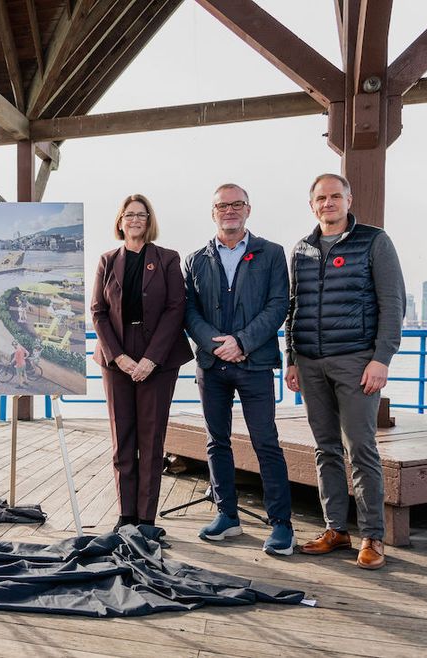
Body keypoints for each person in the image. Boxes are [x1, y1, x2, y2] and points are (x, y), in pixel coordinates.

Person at [285, 173, 405, 570]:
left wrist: (381, 359)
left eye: (336, 196)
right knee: (325, 449)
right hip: (310, 362)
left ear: (349, 200)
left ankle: (372, 536)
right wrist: (291, 358)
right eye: (321, 197)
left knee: (361, 448)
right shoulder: (301, 249)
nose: (328, 203)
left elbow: (393, 304)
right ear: (312, 204)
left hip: (356, 361)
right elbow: (293, 307)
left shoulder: (374, 241)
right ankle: (336, 529)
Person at [184, 184, 293, 555]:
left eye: (236, 204)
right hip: (212, 365)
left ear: (248, 209)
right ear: (212, 212)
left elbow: (279, 305)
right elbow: (190, 312)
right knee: (217, 441)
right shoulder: (196, 258)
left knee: (266, 442)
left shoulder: (272, 253)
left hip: (255, 362)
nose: (229, 210)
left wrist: (242, 342)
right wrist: (218, 343)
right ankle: (227, 516)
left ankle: (281, 524)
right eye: (222, 205)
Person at [91, 193, 194, 532]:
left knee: (151, 439)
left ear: (150, 222)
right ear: (120, 221)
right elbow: (98, 311)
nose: (135, 220)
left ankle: (146, 519)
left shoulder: (166, 258)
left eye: (142, 214)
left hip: (158, 356)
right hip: (116, 354)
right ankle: (126, 516)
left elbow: (175, 308)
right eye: (129, 214)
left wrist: (150, 358)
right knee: (123, 438)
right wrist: (118, 356)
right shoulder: (107, 260)